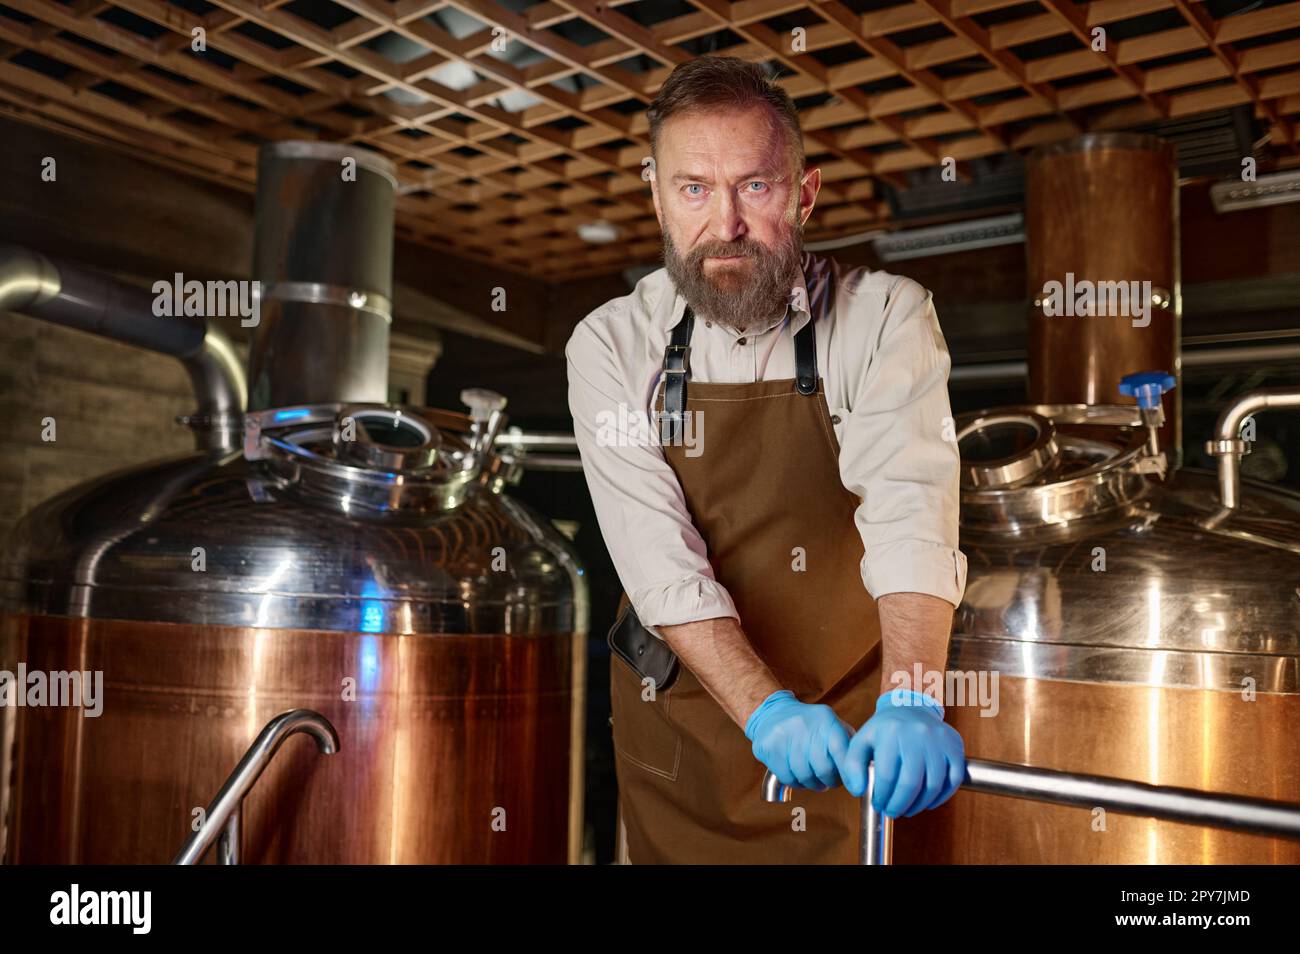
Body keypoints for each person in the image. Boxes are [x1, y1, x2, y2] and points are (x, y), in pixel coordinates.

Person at [565, 55, 968, 864]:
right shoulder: (608, 345)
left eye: (755, 186)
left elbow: (910, 517)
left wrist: (914, 699)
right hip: (685, 735)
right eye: (694, 189)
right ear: (655, 194)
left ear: (804, 193)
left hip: (861, 739)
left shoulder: (886, 318)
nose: (725, 226)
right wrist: (766, 711)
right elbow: (656, 560)